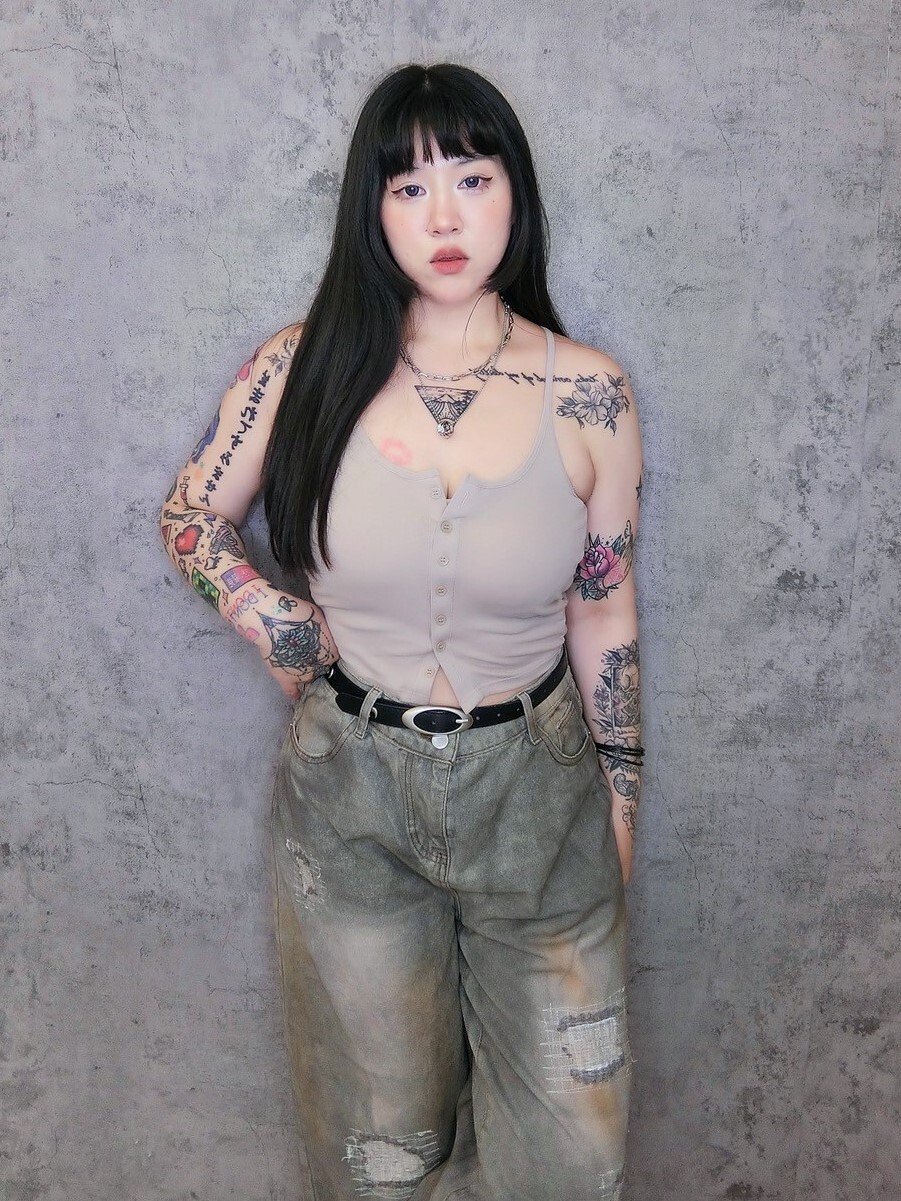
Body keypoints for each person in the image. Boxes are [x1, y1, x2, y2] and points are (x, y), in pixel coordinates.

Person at [161, 62, 643, 1201]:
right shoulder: (299, 365)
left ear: (515, 194)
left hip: (541, 795)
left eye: (471, 179)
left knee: (572, 1161)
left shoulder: (589, 393)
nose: (443, 217)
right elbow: (189, 515)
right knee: (379, 1155)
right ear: (370, 211)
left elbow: (604, 605)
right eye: (408, 187)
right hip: (350, 795)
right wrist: (269, 614)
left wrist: (620, 809)